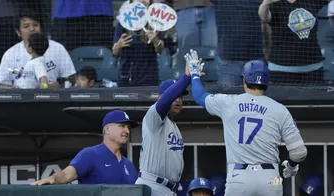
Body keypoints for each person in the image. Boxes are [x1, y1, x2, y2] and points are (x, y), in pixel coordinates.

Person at [186, 49, 308, 196]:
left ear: (244, 80)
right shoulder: (280, 110)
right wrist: (291, 165)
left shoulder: (228, 102)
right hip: (270, 178)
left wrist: (194, 73)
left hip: (239, 177)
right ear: (266, 82)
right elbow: (299, 152)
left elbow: (199, 96)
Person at [30, 110, 138, 185]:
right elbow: (66, 175)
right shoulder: (90, 154)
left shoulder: (129, 164)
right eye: (122, 126)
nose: (127, 131)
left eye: (128, 128)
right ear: (108, 129)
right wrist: (53, 178)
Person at [135, 66, 195, 195]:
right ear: (160, 98)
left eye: (180, 96)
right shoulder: (153, 117)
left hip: (167, 189)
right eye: (174, 96)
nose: (177, 99)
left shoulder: (174, 127)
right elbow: (164, 102)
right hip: (151, 185)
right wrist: (186, 78)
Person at [0, 9, 76, 89]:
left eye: (35, 25)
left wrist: (47, 87)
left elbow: (71, 79)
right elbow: (3, 84)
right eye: (26, 26)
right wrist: (14, 90)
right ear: (18, 32)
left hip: (52, 98)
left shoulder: (58, 48)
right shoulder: (9, 54)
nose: (32, 29)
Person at [258, 0, 329, 83]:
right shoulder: (275, 4)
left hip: (313, 68)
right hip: (281, 69)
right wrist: (266, 3)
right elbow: (265, 18)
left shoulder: (311, 1)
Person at [112, 0, 164, 87]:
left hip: (149, 77)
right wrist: (118, 45)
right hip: (126, 76)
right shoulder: (123, 21)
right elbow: (114, 51)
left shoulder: (156, 22)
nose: (143, 0)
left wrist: (155, 40)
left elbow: (160, 49)